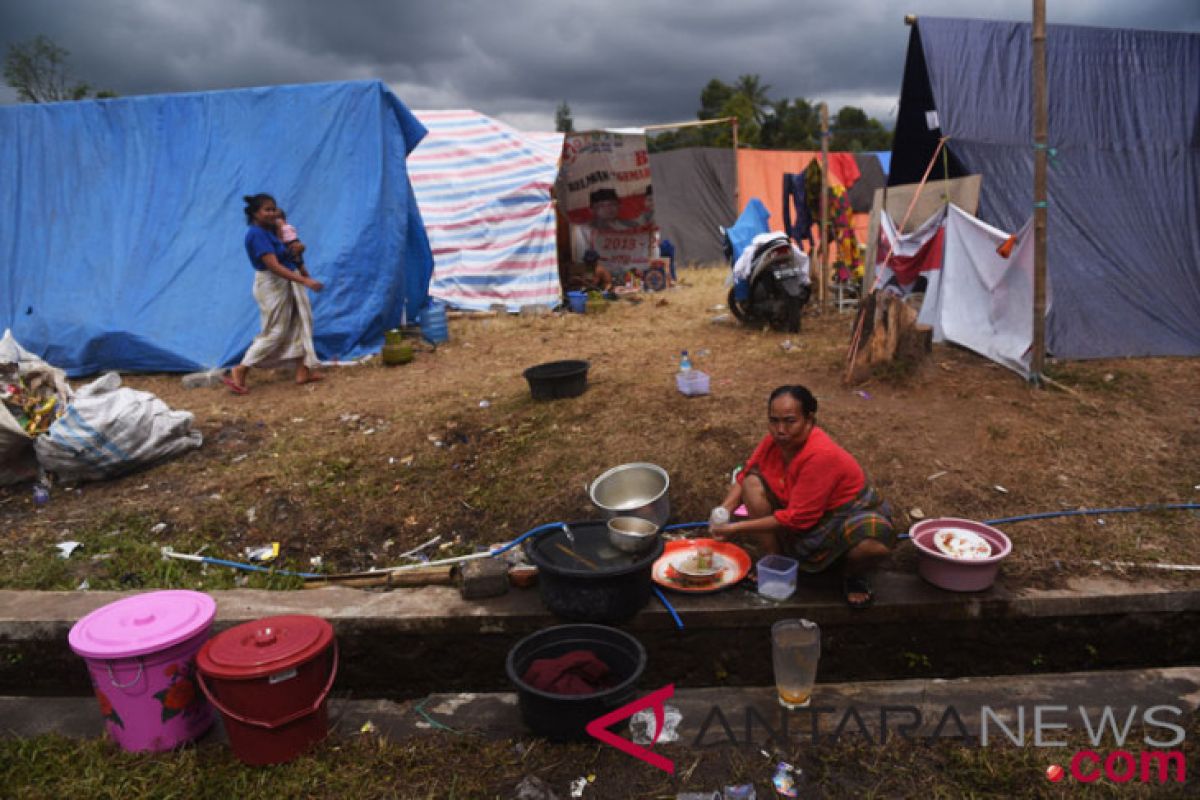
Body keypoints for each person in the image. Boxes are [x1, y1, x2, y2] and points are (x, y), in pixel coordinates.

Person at [709, 385, 896, 608]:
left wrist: (734, 529)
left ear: (809, 419)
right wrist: (723, 511)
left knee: (871, 545)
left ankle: (851, 575)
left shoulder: (820, 455)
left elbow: (798, 518)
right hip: (801, 510)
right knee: (752, 482)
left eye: (790, 421)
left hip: (842, 515)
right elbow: (746, 473)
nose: (780, 429)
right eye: (774, 420)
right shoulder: (774, 442)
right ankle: (775, 558)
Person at [223, 194, 324, 395]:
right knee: (275, 330)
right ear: (254, 213)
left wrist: (297, 253)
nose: (273, 213)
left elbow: (286, 256)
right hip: (272, 285)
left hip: (286, 281)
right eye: (267, 210)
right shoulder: (256, 235)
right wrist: (305, 280)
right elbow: (274, 267)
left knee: (299, 322)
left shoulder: (272, 231)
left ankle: (302, 370)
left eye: (274, 209)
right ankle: (241, 369)